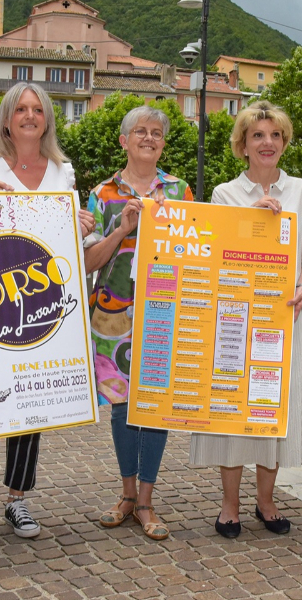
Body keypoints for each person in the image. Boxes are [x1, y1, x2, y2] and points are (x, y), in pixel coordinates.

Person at [0, 82, 95, 543]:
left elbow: (68, 239)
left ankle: (17, 498)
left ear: (48, 118)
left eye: (38, 109)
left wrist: (80, 224)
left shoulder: (63, 171)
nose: (30, 116)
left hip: (40, 300)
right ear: (8, 119)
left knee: (30, 400)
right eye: (21, 109)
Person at [189, 101, 302, 537]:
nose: (267, 143)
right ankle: (229, 505)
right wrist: (253, 223)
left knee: (273, 407)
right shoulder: (225, 195)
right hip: (236, 319)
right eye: (257, 136)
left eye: (275, 135)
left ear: (283, 143)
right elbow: (215, 257)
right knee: (234, 409)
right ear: (243, 145)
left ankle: (266, 501)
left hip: (286, 317)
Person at [87, 105, 192, 541]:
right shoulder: (103, 194)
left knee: (155, 405)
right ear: (123, 140)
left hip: (165, 313)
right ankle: (127, 495)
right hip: (112, 316)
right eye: (140, 132)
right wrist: (122, 228)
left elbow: (195, 251)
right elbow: (87, 259)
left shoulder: (181, 190)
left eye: (156, 133)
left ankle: (147, 500)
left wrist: (170, 223)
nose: (148, 138)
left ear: (163, 143)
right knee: (122, 408)